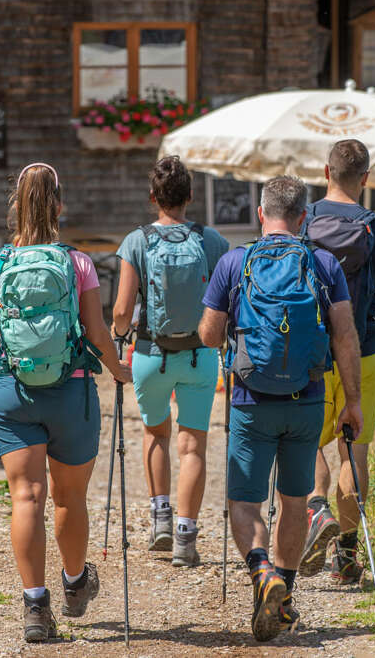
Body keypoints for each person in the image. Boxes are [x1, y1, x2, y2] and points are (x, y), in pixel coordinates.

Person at [198, 175, 363, 642]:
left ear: (260, 214)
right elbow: (345, 336)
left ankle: (262, 573)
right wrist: (352, 402)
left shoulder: (235, 262)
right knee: (295, 502)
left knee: (244, 502)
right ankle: (283, 595)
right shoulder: (323, 263)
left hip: (251, 401)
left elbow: (208, 335)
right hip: (307, 399)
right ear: (303, 218)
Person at [0, 162, 131, 644]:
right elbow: (97, 331)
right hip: (71, 392)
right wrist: (117, 368)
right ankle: (75, 581)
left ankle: (35, 608)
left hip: (14, 392)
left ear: (15, 206)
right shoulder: (77, 263)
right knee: (68, 498)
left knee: (26, 497)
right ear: (59, 205)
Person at [112, 156, 229, 567]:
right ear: (190, 196)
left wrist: (116, 331)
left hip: (150, 355)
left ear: (152, 197)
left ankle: (160, 517)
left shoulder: (136, 241)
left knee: (156, 434)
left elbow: (124, 311)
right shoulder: (212, 241)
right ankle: (185, 537)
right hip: (199, 355)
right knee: (192, 444)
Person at [301, 140, 375, 585]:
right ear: (366, 178)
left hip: (311, 349)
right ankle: (346, 556)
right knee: (353, 448)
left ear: (326, 172)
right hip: (364, 349)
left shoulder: (304, 222)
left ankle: (315, 509)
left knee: (307, 439)